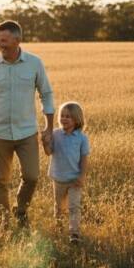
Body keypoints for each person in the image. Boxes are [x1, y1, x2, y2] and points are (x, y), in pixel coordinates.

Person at [0, 20, 54, 228]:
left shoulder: (34, 63)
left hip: (27, 132)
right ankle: (3, 222)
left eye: (4, 40)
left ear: (18, 40)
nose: (0, 45)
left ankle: (21, 209)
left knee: (32, 176)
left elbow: (46, 93)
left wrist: (49, 127)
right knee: (0, 181)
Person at [42, 101, 90, 244]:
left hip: (74, 179)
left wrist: (82, 176)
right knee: (59, 207)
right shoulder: (56, 134)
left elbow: (84, 159)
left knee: (74, 206)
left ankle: (74, 233)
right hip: (58, 178)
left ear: (77, 119)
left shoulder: (82, 138)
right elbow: (49, 152)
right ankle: (59, 228)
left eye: (68, 116)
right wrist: (45, 143)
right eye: (62, 116)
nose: (64, 119)